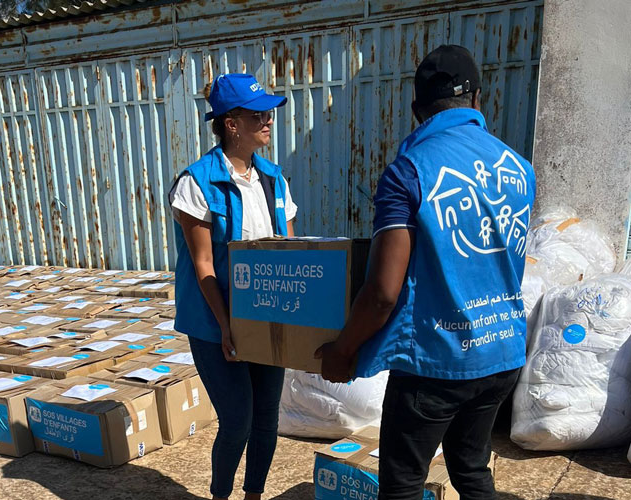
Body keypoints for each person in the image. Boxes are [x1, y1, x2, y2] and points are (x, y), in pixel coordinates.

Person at [316, 45, 536, 500]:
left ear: (417, 111)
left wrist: (344, 349)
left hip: (438, 362)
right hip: (502, 353)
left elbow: (382, 292)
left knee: (402, 484)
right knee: (472, 470)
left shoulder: (409, 172)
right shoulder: (519, 168)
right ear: (479, 98)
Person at [168, 73, 297, 500]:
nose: (268, 119)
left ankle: (254, 495)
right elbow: (203, 264)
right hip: (214, 322)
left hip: (265, 318)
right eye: (257, 113)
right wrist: (226, 325)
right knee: (237, 420)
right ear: (230, 123)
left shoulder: (275, 180)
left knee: (266, 420)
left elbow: (290, 253)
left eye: (269, 111)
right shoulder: (197, 183)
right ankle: (220, 495)